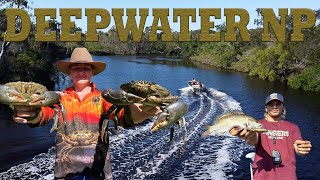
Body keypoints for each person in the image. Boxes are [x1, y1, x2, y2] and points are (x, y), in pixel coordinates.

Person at [13, 47, 161, 179]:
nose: (81, 72)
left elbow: (122, 117)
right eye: (76, 68)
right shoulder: (59, 98)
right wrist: (30, 114)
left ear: (92, 72)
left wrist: (137, 113)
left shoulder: (104, 98)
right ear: (70, 72)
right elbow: (42, 115)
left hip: (99, 172)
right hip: (66, 173)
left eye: (86, 68)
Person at [230, 93, 312, 180]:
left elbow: (299, 148)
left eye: (278, 104)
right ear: (266, 108)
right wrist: (249, 134)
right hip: (262, 176)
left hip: (288, 176)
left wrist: (302, 150)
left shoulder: (293, 127)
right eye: (271, 104)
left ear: (282, 107)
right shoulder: (258, 124)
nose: (275, 107)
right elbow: (253, 140)